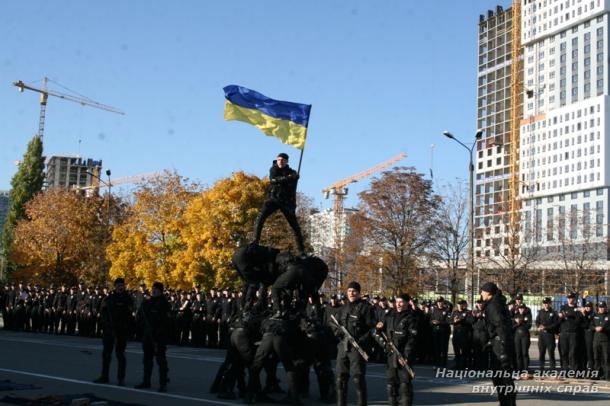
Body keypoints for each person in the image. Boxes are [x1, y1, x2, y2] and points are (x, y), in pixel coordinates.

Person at [252, 153, 305, 256]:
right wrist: (289, 178)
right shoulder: (273, 169)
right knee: (260, 217)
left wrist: (295, 178)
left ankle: (301, 251)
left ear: (286, 162)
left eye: (282, 160)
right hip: (274, 199)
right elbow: (273, 180)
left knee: (295, 227)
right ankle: (255, 240)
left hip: (286, 202)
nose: (280, 161)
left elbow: (292, 189)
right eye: (278, 160)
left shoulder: (292, 172)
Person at [331, 281, 375, 406]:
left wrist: (361, 341)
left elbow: (371, 329)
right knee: (340, 378)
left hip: (357, 347)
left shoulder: (366, 308)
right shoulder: (343, 308)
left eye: (354, 291)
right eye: (349, 291)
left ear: (359, 293)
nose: (352, 293)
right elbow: (334, 323)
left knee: (357, 378)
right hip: (343, 346)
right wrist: (338, 333)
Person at [374, 293, 417, 406]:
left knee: (405, 387)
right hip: (391, 356)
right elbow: (378, 333)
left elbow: (412, 339)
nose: (398, 304)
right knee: (391, 386)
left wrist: (406, 356)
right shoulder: (389, 315)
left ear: (407, 303)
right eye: (396, 301)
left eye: (401, 302)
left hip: (403, 357)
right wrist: (379, 333)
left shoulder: (411, 318)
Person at [480, 282, 516, 406]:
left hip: (500, 347)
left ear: (489, 292)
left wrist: (503, 348)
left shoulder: (494, 306)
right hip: (498, 344)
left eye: (483, 291)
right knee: (502, 379)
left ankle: (507, 403)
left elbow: (501, 326)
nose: (481, 293)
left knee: (502, 379)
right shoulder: (496, 303)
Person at [94, 278, 133, 386]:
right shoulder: (109, 298)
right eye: (119, 285)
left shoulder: (128, 298)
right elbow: (103, 312)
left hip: (121, 331)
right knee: (106, 354)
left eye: (122, 285)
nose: (121, 287)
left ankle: (121, 378)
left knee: (120, 355)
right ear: (115, 286)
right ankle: (104, 376)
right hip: (109, 330)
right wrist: (106, 324)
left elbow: (129, 315)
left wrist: (126, 328)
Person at [135, 282, 171, 392]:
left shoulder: (164, 304)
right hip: (147, 335)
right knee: (147, 360)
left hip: (159, 336)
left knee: (161, 360)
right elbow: (140, 317)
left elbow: (167, 322)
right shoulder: (147, 303)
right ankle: (146, 381)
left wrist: (160, 334)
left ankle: (163, 383)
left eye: (156, 289)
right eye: (153, 288)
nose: (153, 291)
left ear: (161, 291)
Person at [535, 297, 559, 371]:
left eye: (547, 303)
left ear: (550, 304)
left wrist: (546, 327)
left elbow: (555, 324)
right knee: (541, 353)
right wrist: (538, 326)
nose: (545, 305)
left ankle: (552, 370)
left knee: (551, 353)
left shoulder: (554, 312)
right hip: (542, 336)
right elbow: (537, 321)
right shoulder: (541, 312)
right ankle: (541, 369)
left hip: (549, 335)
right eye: (544, 303)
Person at [591, 301, 610, 380]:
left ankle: (607, 375)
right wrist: (595, 328)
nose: (601, 308)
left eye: (603, 307)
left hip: (605, 340)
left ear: (605, 307)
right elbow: (590, 326)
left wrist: (604, 328)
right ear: (598, 308)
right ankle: (597, 375)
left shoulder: (608, 316)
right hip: (596, 340)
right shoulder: (595, 316)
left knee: (606, 358)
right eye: (600, 307)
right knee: (596, 358)